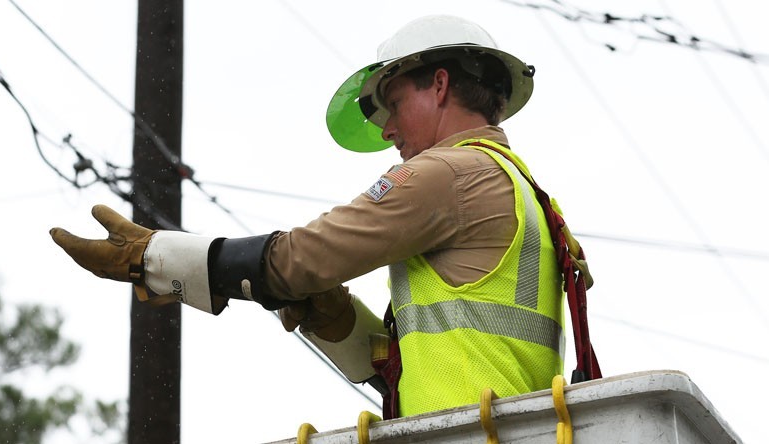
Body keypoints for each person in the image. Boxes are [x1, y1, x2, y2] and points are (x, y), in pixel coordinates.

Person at [50, 14, 585, 420]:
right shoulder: (528, 192)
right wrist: (344, 325)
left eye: (392, 104)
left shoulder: (448, 174)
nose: (386, 130)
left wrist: (155, 258)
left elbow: (300, 259)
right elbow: (464, 360)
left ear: (439, 85)